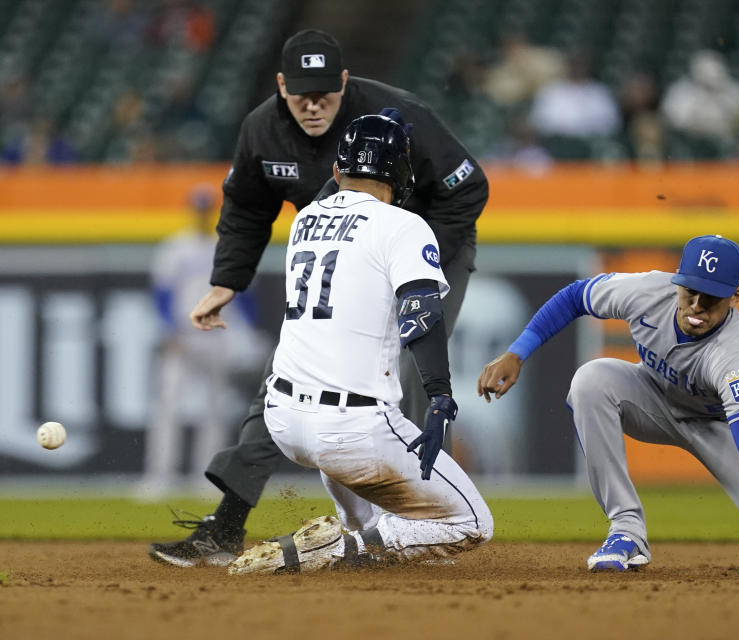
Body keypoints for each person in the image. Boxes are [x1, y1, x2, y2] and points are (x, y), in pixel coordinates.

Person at [149, 29, 488, 567]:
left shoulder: (397, 115)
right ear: (281, 86)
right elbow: (245, 208)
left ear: (345, 83)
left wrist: (402, 261)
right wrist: (227, 280)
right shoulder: (262, 129)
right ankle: (227, 524)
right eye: (301, 93)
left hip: (427, 248)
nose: (313, 104)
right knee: (291, 373)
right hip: (339, 249)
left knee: (415, 370)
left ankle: (421, 525)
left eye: (325, 93)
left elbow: (468, 189)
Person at [477, 235, 739, 574]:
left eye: (711, 298)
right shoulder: (647, 292)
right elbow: (575, 297)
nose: (697, 306)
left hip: (720, 429)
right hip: (652, 399)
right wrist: (517, 352)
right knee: (591, 379)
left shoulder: (736, 355)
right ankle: (625, 530)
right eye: (691, 292)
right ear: (678, 280)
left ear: (736, 296)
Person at [227, 114, 492, 574]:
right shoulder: (402, 226)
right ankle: (322, 548)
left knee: (377, 545)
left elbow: (343, 208)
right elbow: (421, 314)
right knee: (471, 522)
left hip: (286, 421)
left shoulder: (305, 220)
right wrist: (439, 394)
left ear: (335, 172)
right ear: (402, 175)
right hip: (353, 431)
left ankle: (347, 544)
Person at [141, 185, 265, 498]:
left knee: (215, 408)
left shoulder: (225, 247)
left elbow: (245, 297)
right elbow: (162, 294)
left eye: (205, 208)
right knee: (168, 405)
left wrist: (249, 333)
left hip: (217, 334)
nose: (201, 214)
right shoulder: (176, 247)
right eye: (197, 208)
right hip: (182, 335)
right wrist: (168, 330)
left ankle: (206, 477)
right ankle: (159, 477)